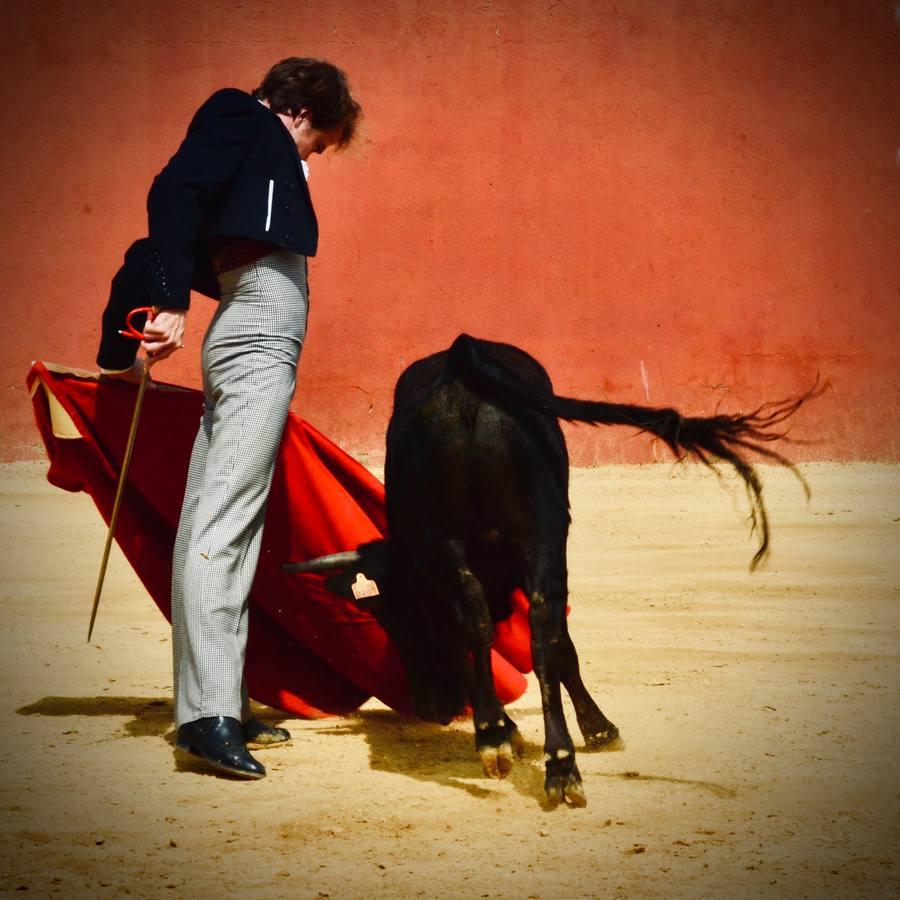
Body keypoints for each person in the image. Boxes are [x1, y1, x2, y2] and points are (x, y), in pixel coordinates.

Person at [96, 58, 362, 779]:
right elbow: (174, 189)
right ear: (302, 113)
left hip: (249, 326)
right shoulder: (240, 114)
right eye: (322, 142)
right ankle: (209, 718)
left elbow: (190, 204)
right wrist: (171, 300)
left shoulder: (249, 143)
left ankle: (215, 702)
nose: (315, 158)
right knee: (224, 521)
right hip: (254, 330)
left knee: (216, 519)